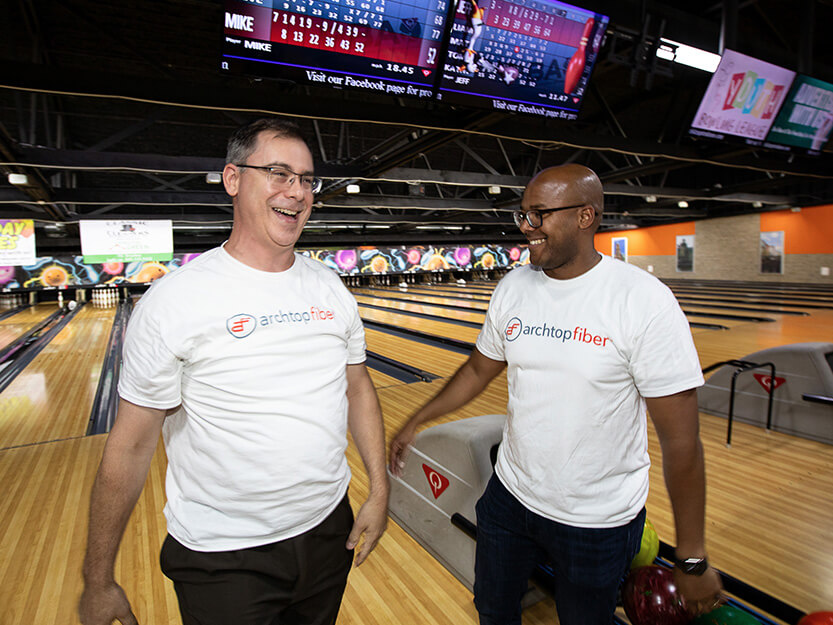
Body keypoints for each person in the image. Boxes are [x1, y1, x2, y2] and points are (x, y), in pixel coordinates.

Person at [79, 117, 389, 625]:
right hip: (223, 556)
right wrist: (98, 579)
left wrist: (379, 490)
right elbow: (131, 446)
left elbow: (358, 389)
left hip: (329, 531)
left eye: (307, 179)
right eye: (279, 173)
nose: (297, 191)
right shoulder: (173, 302)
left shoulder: (331, 288)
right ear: (232, 179)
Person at [390, 164, 723, 625]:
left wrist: (690, 558)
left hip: (597, 521)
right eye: (523, 215)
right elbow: (476, 370)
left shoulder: (642, 302)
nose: (527, 227)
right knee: (492, 610)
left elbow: (682, 443)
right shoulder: (514, 287)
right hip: (510, 498)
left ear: (586, 217)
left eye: (540, 214)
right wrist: (416, 418)